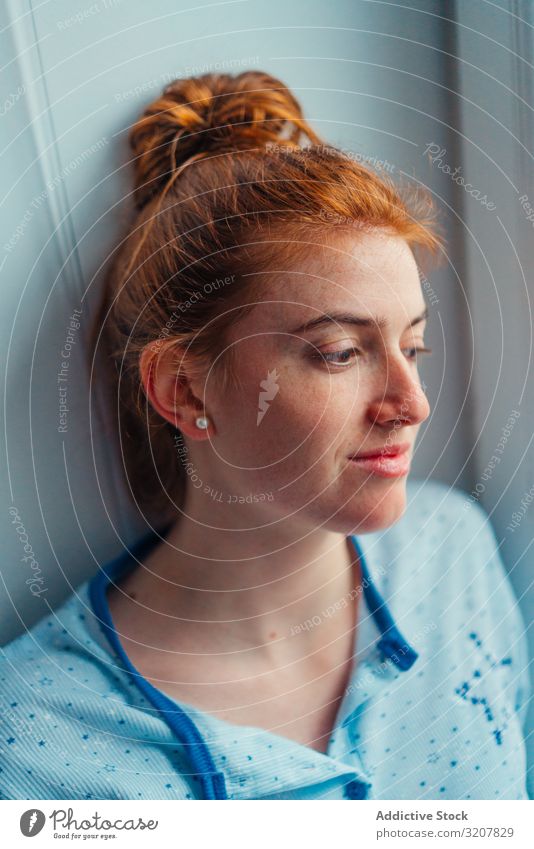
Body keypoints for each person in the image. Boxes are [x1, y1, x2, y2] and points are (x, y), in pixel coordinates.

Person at [0, 71, 529, 801]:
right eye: (342, 352)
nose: (413, 404)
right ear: (185, 389)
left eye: (414, 347)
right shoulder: (29, 746)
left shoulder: (454, 553)